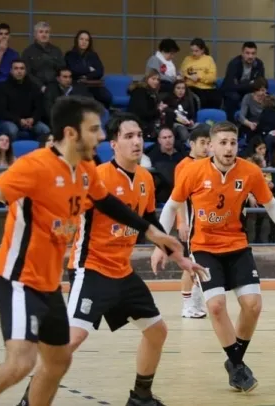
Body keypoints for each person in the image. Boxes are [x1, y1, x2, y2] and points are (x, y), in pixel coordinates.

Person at [0, 95, 198, 406]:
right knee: (20, 363)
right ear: (70, 133)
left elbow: (109, 204)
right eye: (93, 129)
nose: (100, 136)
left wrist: (156, 235)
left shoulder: (85, 169)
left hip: (49, 282)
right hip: (18, 278)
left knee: (58, 361)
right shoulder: (35, 166)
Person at [17, 112, 200, 406]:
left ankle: (141, 397)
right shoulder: (97, 177)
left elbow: (150, 224)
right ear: (113, 144)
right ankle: (29, 400)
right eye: (128, 136)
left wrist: (179, 258)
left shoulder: (146, 179)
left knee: (157, 332)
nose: (136, 142)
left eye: (139, 135)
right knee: (69, 342)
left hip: (122, 272)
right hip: (91, 269)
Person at [151, 121, 275, 393]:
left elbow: (271, 205)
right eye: (222, 143)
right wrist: (160, 243)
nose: (228, 148)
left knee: (253, 306)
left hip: (237, 245)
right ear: (211, 146)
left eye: (233, 143)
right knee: (215, 306)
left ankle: (234, 362)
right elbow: (171, 206)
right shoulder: (192, 171)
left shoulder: (250, 172)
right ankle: (237, 365)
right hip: (204, 248)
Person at [174, 126, 211, 319]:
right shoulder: (183, 166)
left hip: (205, 223)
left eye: (208, 143)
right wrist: (182, 222)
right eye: (202, 143)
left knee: (200, 263)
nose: (206, 147)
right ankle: (187, 305)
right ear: (192, 144)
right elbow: (179, 198)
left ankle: (195, 303)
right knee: (190, 263)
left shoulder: (210, 164)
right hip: (190, 222)